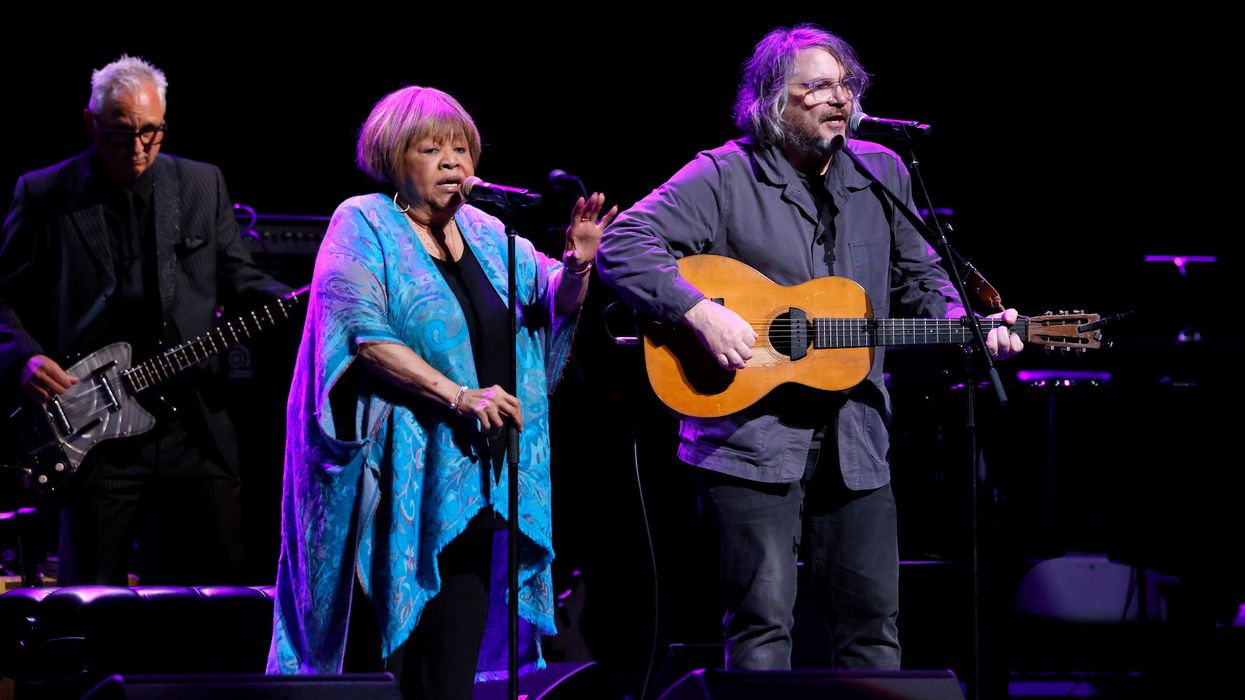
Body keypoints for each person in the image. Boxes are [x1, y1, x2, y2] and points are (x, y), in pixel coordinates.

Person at [597, 25, 1023, 671]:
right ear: (772, 101)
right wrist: (697, 312)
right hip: (747, 437)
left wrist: (970, 322)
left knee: (873, 626)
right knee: (762, 629)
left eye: (845, 85)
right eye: (817, 86)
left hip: (857, 435)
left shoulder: (881, 171)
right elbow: (623, 242)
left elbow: (922, 276)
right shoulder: (721, 173)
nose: (838, 99)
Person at [266, 85, 616, 699]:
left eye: (462, 148)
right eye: (433, 149)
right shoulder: (363, 221)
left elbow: (547, 308)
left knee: (450, 678)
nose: (454, 162)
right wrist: (460, 395)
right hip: (392, 482)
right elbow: (360, 335)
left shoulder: (489, 234)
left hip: (476, 490)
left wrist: (580, 266)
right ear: (394, 158)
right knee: (387, 672)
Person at [0, 55, 289, 586]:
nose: (137, 149)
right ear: (91, 124)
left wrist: (315, 299)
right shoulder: (43, 194)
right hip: (92, 430)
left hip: (193, 428)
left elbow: (239, 279)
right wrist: (22, 356)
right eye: (120, 134)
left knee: (218, 598)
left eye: (150, 133)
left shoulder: (202, 184)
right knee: (90, 608)